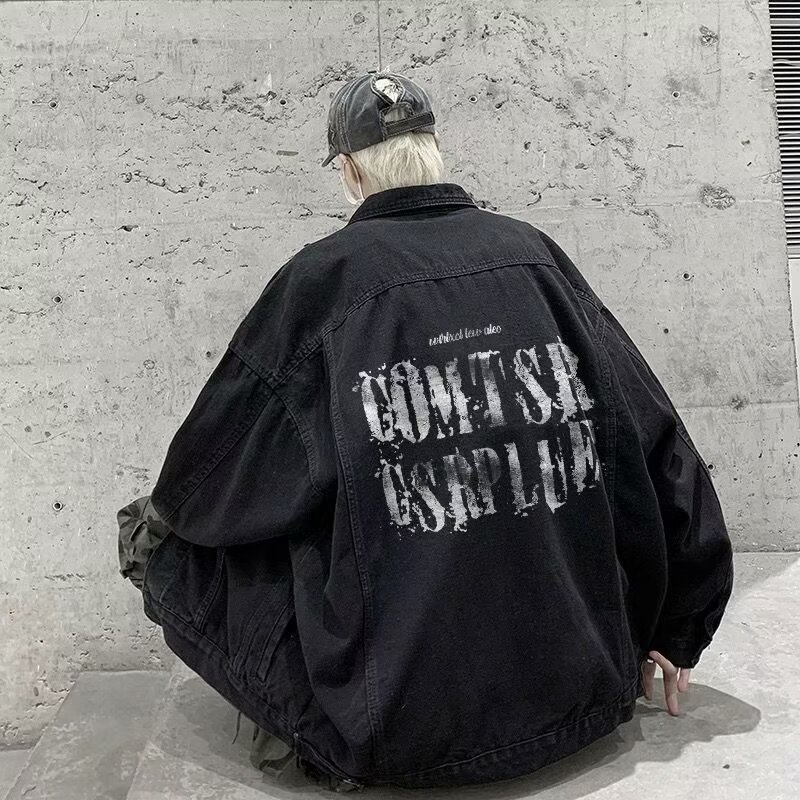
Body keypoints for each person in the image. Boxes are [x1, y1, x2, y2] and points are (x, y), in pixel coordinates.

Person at [117, 70, 734, 791]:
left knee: (150, 533)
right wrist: (679, 626)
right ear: (434, 150)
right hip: (588, 695)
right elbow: (659, 443)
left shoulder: (321, 281)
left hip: (398, 739)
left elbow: (199, 482)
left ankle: (325, 723)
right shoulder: (536, 257)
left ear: (350, 172)